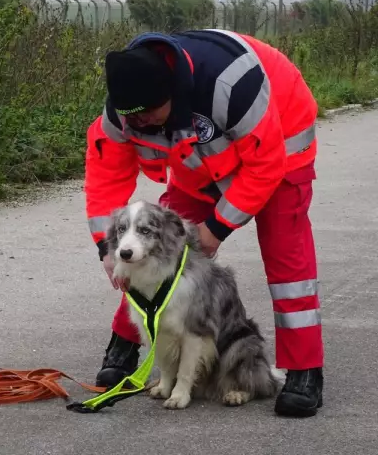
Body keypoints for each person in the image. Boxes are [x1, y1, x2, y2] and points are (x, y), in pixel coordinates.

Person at [83, 28, 324, 417]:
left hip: (279, 150)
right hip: (201, 160)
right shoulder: (125, 109)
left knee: (287, 262)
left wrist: (216, 228)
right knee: (153, 252)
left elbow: (264, 165)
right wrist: (107, 250)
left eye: (148, 115)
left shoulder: (232, 84)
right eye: (133, 117)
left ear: (173, 93)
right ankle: (125, 347)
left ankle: (304, 372)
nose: (140, 123)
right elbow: (105, 180)